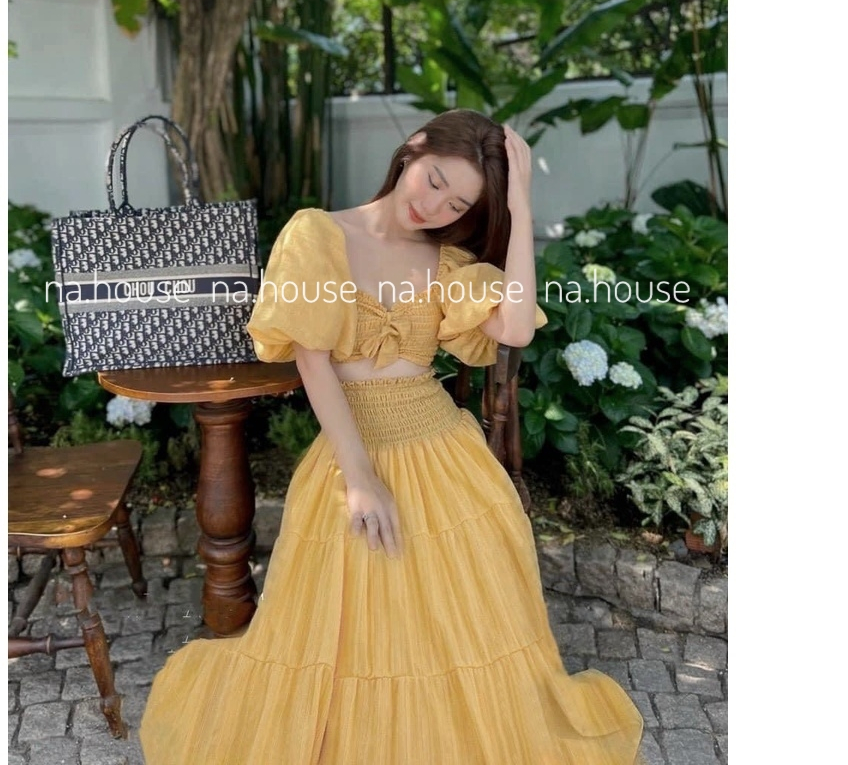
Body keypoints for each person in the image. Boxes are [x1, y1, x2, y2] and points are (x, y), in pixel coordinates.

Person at [140, 109, 645, 764]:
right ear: (412, 150)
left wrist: (520, 206)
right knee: (360, 609)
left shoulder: (450, 261)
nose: (433, 207)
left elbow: (517, 329)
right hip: (352, 448)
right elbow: (313, 362)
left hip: (444, 450)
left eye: (457, 203)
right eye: (433, 180)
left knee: (459, 615)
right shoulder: (317, 234)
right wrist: (360, 479)